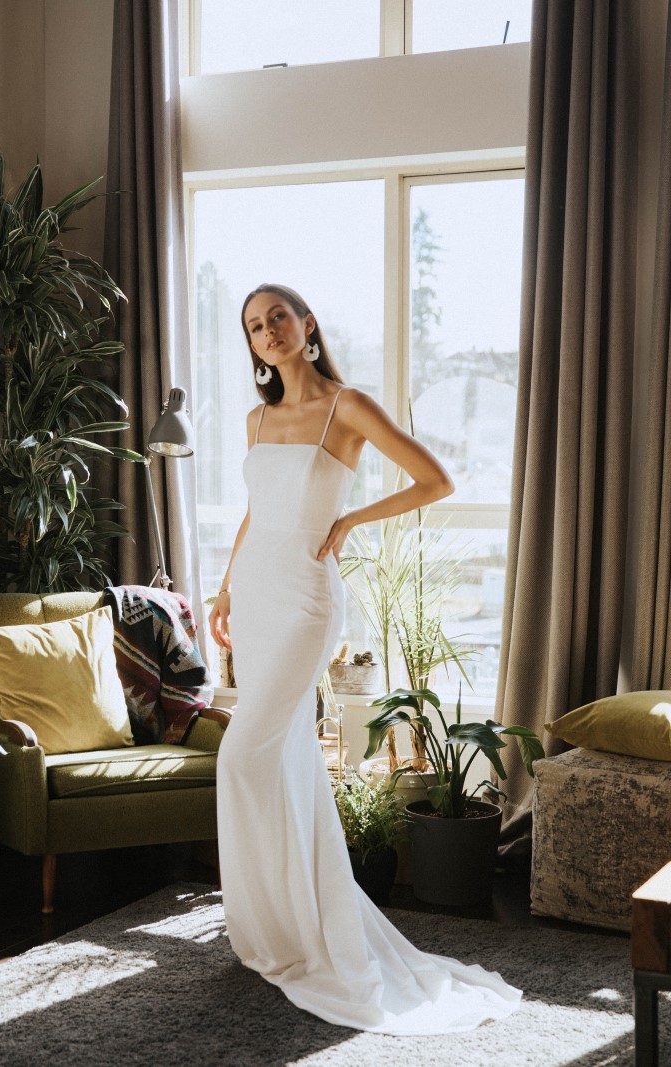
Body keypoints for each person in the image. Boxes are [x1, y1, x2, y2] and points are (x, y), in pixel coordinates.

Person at [208, 283, 521, 1035]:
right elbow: (259, 510)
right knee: (282, 761)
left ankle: (305, 932)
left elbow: (436, 479)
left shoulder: (347, 405)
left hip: (307, 604)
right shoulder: (256, 417)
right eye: (254, 326)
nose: (267, 331)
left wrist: (352, 516)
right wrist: (223, 586)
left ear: (307, 324)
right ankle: (278, 931)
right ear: (251, 344)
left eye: (277, 316)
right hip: (253, 598)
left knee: (240, 756)